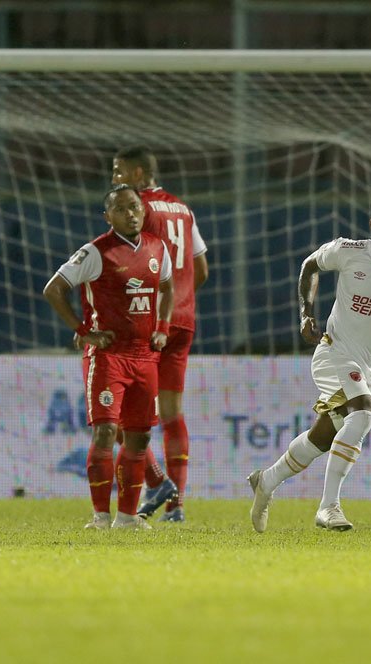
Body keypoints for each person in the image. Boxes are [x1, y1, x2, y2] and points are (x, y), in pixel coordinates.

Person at [247, 191, 371, 532]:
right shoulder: (349, 251)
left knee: (323, 438)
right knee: (363, 414)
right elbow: (310, 265)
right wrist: (305, 314)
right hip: (334, 353)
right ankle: (329, 507)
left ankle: (267, 480)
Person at [44, 184, 174, 530]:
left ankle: (128, 517)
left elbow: (167, 287)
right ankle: (101, 516)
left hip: (145, 356)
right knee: (105, 432)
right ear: (108, 217)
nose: (130, 213)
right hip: (108, 356)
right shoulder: (95, 253)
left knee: (140, 436)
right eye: (121, 209)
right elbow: (53, 289)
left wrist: (162, 326)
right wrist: (83, 329)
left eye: (134, 207)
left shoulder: (157, 248)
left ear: (143, 210)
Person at [110, 146, 209, 522]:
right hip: (182, 320)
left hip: (147, 325)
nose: (113, 180)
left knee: (116, 410)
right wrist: (178, 298)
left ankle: (156, 481)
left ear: (138, 175)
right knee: (171, 413)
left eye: (118, 172)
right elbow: (201, 268)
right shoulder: (182, 209)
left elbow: (124, 267)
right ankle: (177, 505)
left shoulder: (135, 208)